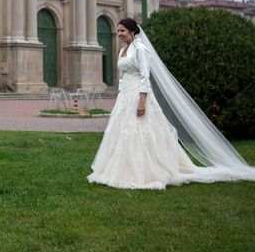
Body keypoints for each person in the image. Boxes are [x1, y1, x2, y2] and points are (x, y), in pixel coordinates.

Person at [88, 17, 255, 190]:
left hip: (138, 95)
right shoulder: (123, 50)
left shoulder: (141, 49)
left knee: (140, 131)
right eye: (118, 31)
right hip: (125, 95)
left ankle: (148, 171)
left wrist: (142, 100)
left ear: (132, 31)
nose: (119, 34)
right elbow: (124, 75)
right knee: (123, 131)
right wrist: (121, 94)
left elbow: (145, 76)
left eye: (122, 30)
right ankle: (120, 169)